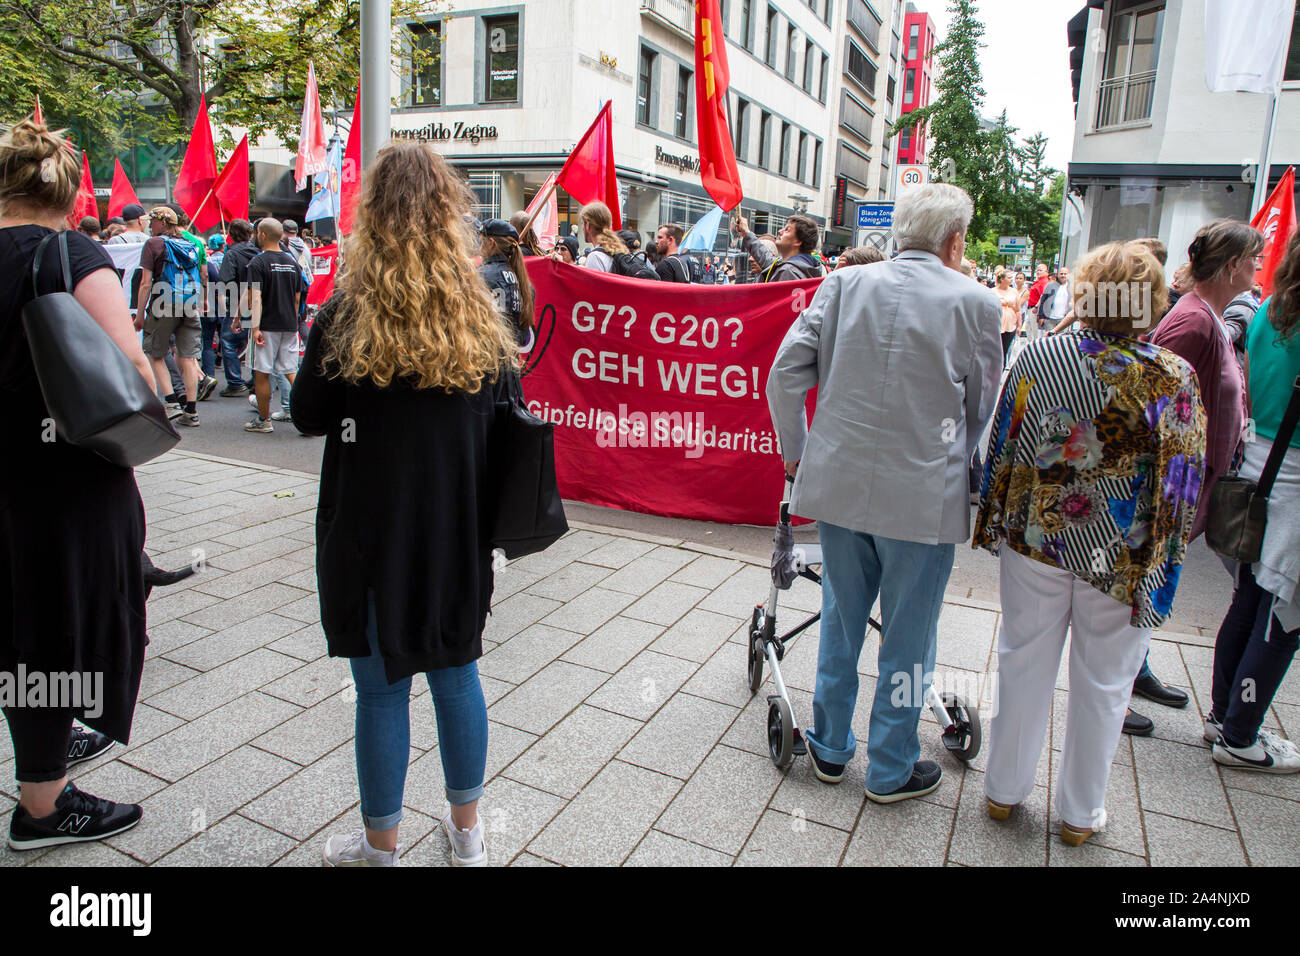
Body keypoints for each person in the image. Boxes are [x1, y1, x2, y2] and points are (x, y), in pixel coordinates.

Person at [292, 140, 517, 866]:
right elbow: (507, 420)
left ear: (372, 216)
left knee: (382, 689)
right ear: (448, 214)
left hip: (368, 532)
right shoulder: (478, 314)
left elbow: (306, 414)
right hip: (455, 529)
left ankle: (381, 848)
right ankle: (468, 835)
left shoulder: (347, 311)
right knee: (458, 677)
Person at [767, 183, 1003, 804]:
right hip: (924, 497)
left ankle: (828, 745)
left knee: (841, 621)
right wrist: (954, 456)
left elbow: (783, 375)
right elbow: (982, 407)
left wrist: (799, 452)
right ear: (955, 240)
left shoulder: (843, 285)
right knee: (908, 635)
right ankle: (892, 766)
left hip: (840, 483)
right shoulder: (977, 303)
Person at [974, 241, 1205, 846]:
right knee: (1105, 683)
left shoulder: (1039, 357)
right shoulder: (1170, 375)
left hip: (1039, 535)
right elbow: (1182, 480)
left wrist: (995, 516)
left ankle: (1003, 791)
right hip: (1125, 550)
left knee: (1022, 660)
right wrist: (1167, 559)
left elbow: (1006, 440)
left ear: (1086, 293)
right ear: (1150, 301)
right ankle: (1080, 814)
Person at [1, 119, 155, 850]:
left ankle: (47, 754)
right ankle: (42, 804)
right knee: (57, 632)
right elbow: (131, 374)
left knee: (15, 628)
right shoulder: (71, 253)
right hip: (64, 484)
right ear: (63, 192)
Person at [1205, 229, 1300, 773]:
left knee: (1248, 596)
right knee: (1283, 607)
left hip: (1257, 463)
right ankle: (1240, 732)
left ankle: (1225, 714)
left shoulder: (1270, 310)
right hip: (1293, 477)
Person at [1148, 218, 1263, 542]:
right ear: (1233, 264)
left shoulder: (1207, 316)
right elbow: (1159, 409)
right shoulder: (1195, 322)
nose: (1258, 265)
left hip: (1190, 486)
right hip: (1175, 493)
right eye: (1254, 257)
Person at [135, 204, 205, 426]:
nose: (149, 225)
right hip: (189, 304)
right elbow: (202, 276)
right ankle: (191, 412)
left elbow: (146, 283)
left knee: (155, 352)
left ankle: (172, 402)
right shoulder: (191, 243)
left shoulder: (153, 244)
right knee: (189, 357)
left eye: (152, 221)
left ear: (162, 223)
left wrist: (139, 315)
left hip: (163, 304)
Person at [243, 218, 305, 433]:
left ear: (262, 235)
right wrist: (294, 320)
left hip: (267, 325)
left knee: (262, 372)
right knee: (290, 371)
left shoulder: (257, 263)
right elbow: (297, 298)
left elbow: (256, 297)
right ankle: (305, 416)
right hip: (289, 324)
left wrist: (255, 327)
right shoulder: (292, 263)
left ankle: (263, 420)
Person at [478, 218, 535, 351]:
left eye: (481, 243)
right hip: (512, 361)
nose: (479, 249)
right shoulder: (525, 283)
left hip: (485, 359)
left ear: (491, 243)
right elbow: (523, 336)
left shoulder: (481, 276)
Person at [216, 218, 257, 396]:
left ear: (231, 235)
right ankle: (257, 379)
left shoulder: (232, 254)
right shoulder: (259, 250)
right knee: (256, 343)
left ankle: (234, 382)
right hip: (258, 302)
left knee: (228, 342)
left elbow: (224, 282)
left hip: (236, 303)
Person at [733, 213, 823, 282]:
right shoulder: (799, 267)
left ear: (798, 241)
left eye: (787, 230)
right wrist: (746, 233)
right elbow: (766, 258)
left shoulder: (788, 271)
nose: (780, 231)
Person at [578, 201, 627, 272]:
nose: (582, 228)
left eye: (582, 223)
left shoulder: (595, 257)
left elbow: (592, 283)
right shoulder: (618, 250)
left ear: (587, 225)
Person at [994, 266, 1021, 364]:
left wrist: (1019, 325)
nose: (1011, 280)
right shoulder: (993, 291)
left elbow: (1018, 309)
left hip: (1010, 326)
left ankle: (1000, 373)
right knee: (994, 351)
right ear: (1002, 279)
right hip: (996, 325)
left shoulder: (1014, 292)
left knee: (1004, 351)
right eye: (1009, 278)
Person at [1042, 266, 1075, 333]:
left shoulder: (1072, 288)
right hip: (1050, 318)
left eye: (1065, 274)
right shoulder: (1051, 286)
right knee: (1048, 339)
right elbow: (1043, 300)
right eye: (1061, 274)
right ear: (1058, 275)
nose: (1063, 275)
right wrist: (1041, 316)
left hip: (1063, 319)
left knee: (1060, 339)